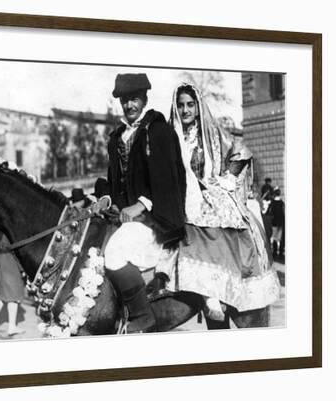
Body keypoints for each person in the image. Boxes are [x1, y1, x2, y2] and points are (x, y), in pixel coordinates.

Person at [167, 83, 280, 320]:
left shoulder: (211, 133)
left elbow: (240, 150)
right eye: (181, 105)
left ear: (198, 107)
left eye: (190, 105)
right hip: (180, 196)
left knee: (215, 225)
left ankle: (216, 292)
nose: (185, 110)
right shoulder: (170, 136)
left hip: (209, 191)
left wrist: (227, 179)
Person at [102, 73, 187, 333]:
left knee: (113, 253)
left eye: (134, 99)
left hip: (155, 218)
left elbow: (168, 180)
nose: (129, 105)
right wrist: (106, 199)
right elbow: (113, 180)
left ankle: (142, 314)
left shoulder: (158, 131)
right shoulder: (117, 137)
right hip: (126, 219)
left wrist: (140, 205)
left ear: (145, 99)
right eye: (125, 100)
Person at [0, 230, 26, 337]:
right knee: (14, 296)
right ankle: (12, 327)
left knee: (1, 296)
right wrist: (23, 269)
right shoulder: (6, 235)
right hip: (10, 267)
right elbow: (16, 253)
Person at [266, 188, 285, 256]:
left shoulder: (272, 203)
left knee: (274, 237)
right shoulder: (282, 203)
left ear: (274, 194)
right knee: (279, 238)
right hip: (281, 222)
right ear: (279, 194)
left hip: (274, 222)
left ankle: (274, 252)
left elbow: (268, 212)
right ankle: (280, 252)